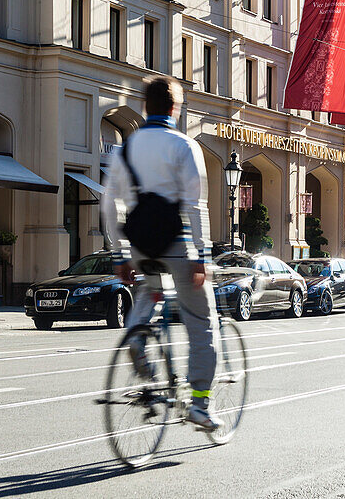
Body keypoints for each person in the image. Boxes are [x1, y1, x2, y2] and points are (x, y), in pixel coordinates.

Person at [103, 76, 221, 432]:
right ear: (174, 108)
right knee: (202, 322)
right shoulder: (184, 145)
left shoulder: (127, 147)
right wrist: (203, 255)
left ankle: (138, 339)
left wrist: (119, 254)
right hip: (178, 245)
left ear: (144, 107)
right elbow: (195, 205)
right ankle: (200, 403)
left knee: (148, 294)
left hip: (141, 247)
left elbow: (110, 203)